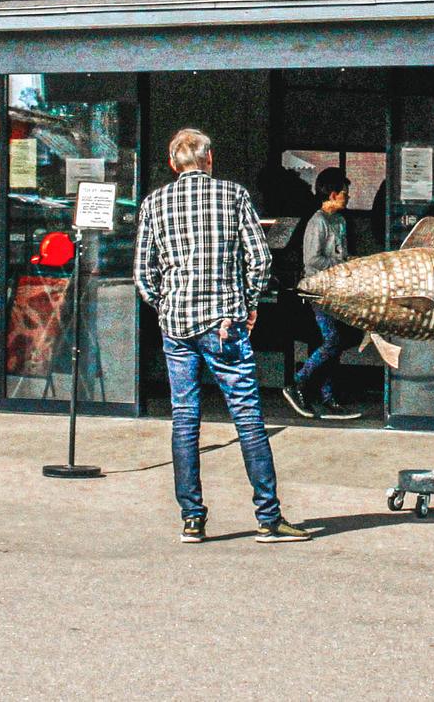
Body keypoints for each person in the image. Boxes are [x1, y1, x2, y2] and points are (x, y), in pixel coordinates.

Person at [135, 128, 311, 544]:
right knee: (247, 416)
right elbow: (260, 259)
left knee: (184, 419)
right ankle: (269, 518)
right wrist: (247, 305)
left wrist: (166, 306)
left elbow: (143, 274)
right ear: (209, 159)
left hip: (176, 326)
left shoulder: (154, 203)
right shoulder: (233, 195)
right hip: (225, 325)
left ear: (172, 163)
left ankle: (192, 519)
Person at [285, 167, 360, 421]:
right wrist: (341, 263)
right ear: (333, 194)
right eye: (344, 193)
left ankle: (328, 397)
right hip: (317, 292)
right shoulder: (316, 222)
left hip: (335, 290)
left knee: (334, 342)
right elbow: (312, 260)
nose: (348, 197)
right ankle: (299, 381)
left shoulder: (340, 221)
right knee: (332, 340)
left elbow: (341, 253)